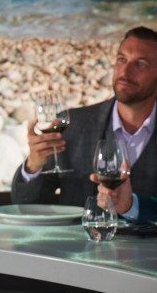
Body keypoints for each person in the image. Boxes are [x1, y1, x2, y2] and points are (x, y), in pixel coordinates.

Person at [12, 26, 157, 206]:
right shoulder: (73, 125)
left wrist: (132, 207)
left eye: (140, 64)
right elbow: (26, 205)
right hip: (79, 236)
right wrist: (33, 165)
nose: (125, 72)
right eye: (121, 59)